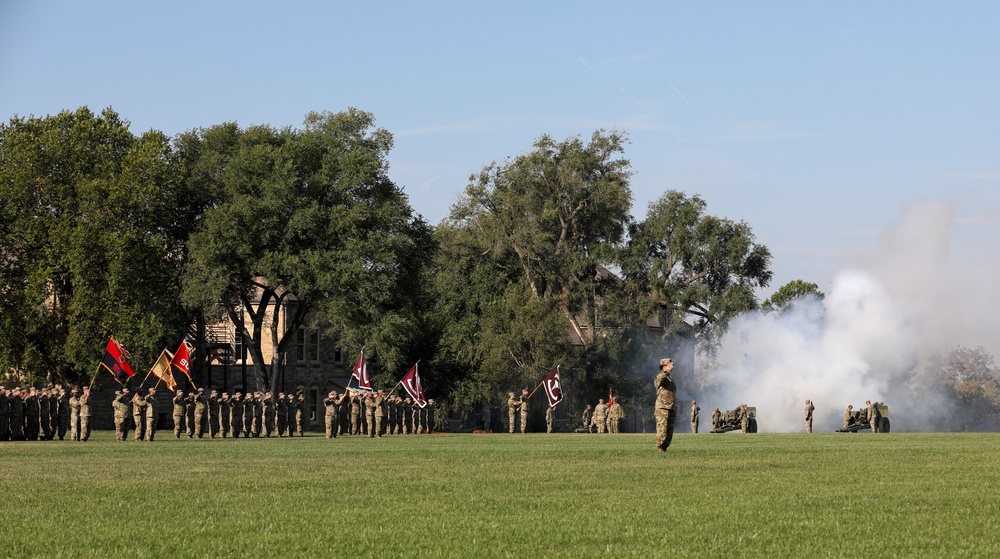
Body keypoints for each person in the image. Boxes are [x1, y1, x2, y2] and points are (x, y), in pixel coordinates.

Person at [654, 358, 677, 452]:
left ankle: (665, 447)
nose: (672, 366)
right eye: (670, 364)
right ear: (664, 366)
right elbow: (660, 378)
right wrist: (666, 371)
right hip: (662, 408)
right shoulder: (660, 376)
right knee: (662, 429)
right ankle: (660, 448)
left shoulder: (670, 379)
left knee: (669, 430)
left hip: (670, 407)